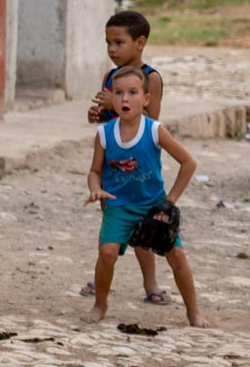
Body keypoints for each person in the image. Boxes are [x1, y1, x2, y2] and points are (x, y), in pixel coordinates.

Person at [81, 66, 209, 328]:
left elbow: (189, 163)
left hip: (154, 205)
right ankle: (100, 305)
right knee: (106, 253)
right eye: (118, 93)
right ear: (111, 98)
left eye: (132, 92)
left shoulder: (154, 130)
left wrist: (169, 201)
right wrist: (95, 188)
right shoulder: (104, 134)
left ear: (146, 99)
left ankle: (194, 312)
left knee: (177, 257)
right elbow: (94, 171)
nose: (124, 99)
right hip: (119, 206)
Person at [83, 11, 169, 305]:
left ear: (140, 42)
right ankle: (102, 277)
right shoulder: (111, 77)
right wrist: (99, 113)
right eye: (108, 42)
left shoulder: (151, 78)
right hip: (113, 165)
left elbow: (151, 120)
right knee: (111, 222)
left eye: (119, 42)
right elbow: (111, 119)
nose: (112, 49)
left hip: (142, 167)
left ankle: (151, 284)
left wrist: (115, 102)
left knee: (143, 226)